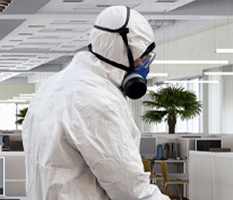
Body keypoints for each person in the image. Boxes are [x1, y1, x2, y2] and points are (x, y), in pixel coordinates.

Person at [22, 5, 170, 200]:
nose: (144, 64)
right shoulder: (97, 101)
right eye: (142, 56)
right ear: (124, 52)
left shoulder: (52, 86)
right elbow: (131, 190)